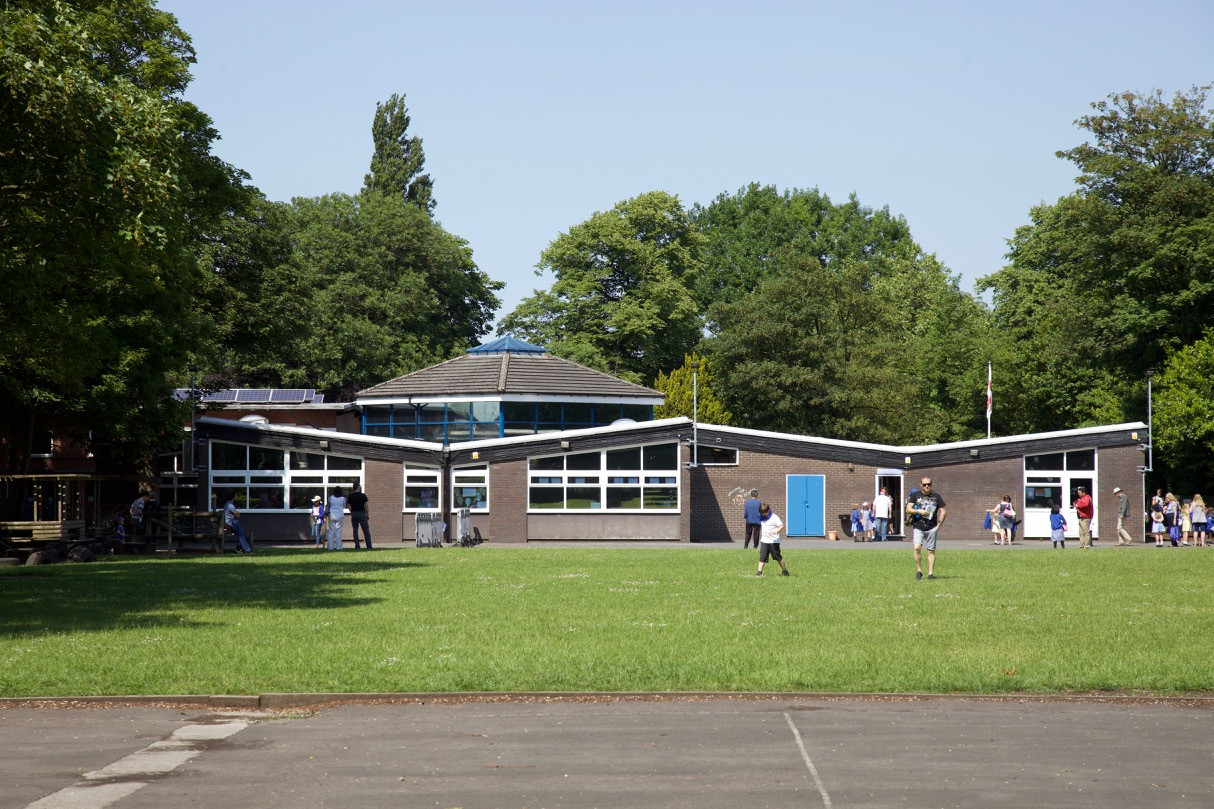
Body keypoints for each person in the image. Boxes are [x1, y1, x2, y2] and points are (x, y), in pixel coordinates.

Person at [907, 477, 946, 580]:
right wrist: (919, 511)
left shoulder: (936, 496)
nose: (927, 486)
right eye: (924, 484)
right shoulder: (916, 495)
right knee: (916, 547)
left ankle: (930, 574)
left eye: (928, 484)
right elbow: (908, 509)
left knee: (931, 551)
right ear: (921, 485)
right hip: (918, 526)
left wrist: (939, 526)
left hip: (932, 527)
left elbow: (943, 511)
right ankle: (919, 571)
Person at [755, 503, 790, 577]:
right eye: (761, 513)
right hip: (764, 541)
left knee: (777, 557)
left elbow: (781, 526)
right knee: (762, 557)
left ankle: (784, 570)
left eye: (764, 513)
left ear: (768, 511)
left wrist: (776, 531)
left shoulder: (774, 517)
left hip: (773, 541)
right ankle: (759, 572)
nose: (763, 515)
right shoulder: (761, 516)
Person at [347, 482, 373, 549]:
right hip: (361, 513)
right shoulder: (363, 495)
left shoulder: (350, 496)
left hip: (354, 514)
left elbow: (349, 506)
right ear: (358, 487)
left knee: (355, 530)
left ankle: (357, 545)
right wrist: (367, 514)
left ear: (353, 487)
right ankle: (369, 546)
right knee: (366, 530)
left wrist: (352, 512)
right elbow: (366, 505)